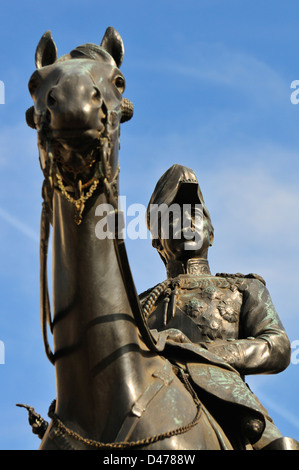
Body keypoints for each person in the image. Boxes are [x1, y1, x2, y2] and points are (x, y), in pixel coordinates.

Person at [141, 163, 298, 450]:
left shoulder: (244, 289)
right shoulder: (139, 305)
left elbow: (277, 346)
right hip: (150, 402)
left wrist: (204, 352)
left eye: (196, 214)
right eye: (173, 217)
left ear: (211, 233)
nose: (187, 221)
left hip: (229, 404)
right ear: (157, 241)